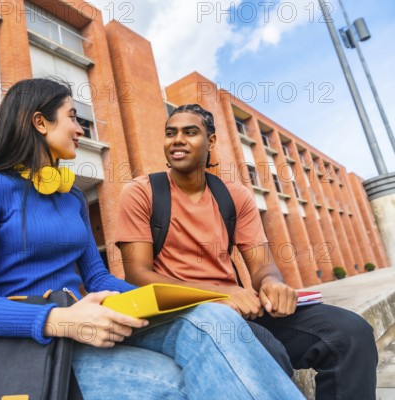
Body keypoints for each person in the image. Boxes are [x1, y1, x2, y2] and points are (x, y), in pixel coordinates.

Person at [0, 79, 303, 399]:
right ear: (40, 122)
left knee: (216, 320)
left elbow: (99, 278)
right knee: (174, 383)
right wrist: (63, 320)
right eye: (72, 117)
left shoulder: (71, 196)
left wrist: (180, 301)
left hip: (94, 320)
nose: (79, 128)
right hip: (41, 338)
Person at [115, 103, 378, 400]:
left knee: (349, 333)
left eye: (190, 132)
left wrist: (272, 284)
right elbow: (137, 274)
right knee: (264, 347)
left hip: (242, 308)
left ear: (211, 141)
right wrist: (218, 294)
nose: (177, 140)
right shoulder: (141, 192)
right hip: (185, 314)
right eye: (170, 133)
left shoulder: (234, 195)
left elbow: (261, 265)